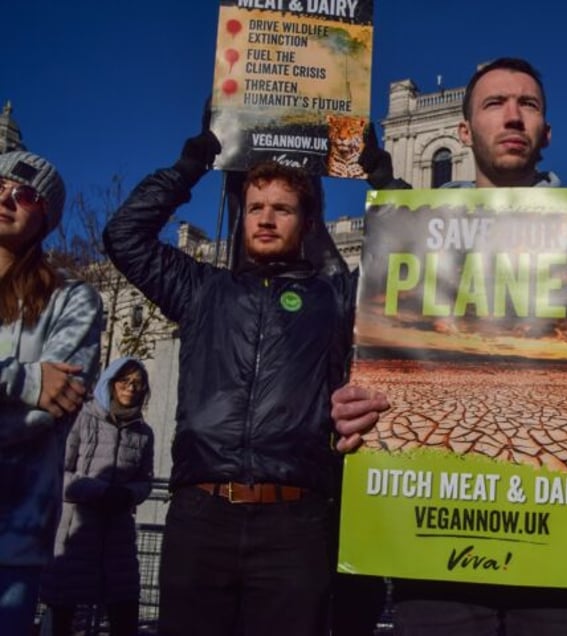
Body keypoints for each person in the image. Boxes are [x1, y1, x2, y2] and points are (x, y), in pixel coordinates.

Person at [357, 57, 567, 635]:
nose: (513, 116)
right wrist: (347, 404)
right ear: (463, 129)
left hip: (563, 559)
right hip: (436, 563)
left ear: (546, 131)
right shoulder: (409, 240)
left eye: (528, 104)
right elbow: (360, 357)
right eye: (495, 103)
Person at [102, 126, 388, 636]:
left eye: (282, 209)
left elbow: (416, 261)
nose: (266, 219)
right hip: (201, 515)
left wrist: (382, 183)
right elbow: (124, 236)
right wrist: (186, 169)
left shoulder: (336, 298)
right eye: (256, 207)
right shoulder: (199, 289)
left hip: (295, 523)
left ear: (306, 222)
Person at [0, 151, 102, 634]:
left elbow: (53, 407)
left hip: (12, 536)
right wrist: (24, 380)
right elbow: (35, 396)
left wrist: (39, 391)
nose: (6, 198)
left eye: (24, 194)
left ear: (46, 215)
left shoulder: (73, 298)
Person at [39, 357, 154, 636]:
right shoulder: (81, 417)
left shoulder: (144, 433)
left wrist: (129, 495)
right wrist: (99, 491)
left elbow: (145, 481)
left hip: (118, 537)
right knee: (60, 613)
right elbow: (58, 472)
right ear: (111, 383)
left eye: (137, 383)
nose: (131, 388)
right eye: (124, 381)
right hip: (75, 533)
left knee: (124, 609)